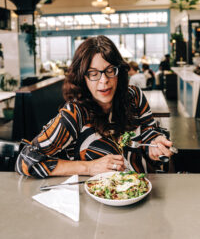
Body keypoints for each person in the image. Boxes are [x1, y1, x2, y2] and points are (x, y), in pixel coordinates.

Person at [15, 35, 173, 178]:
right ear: (82, 77)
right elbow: (26, 160)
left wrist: (155, 145)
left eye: (110, 70)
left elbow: (148, 134)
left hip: (143, 192)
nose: (104, 80)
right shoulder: (74, 114)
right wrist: (89, 167)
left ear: (119, 71)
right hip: (94, 202)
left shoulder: (134, 97)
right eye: (93, 73)